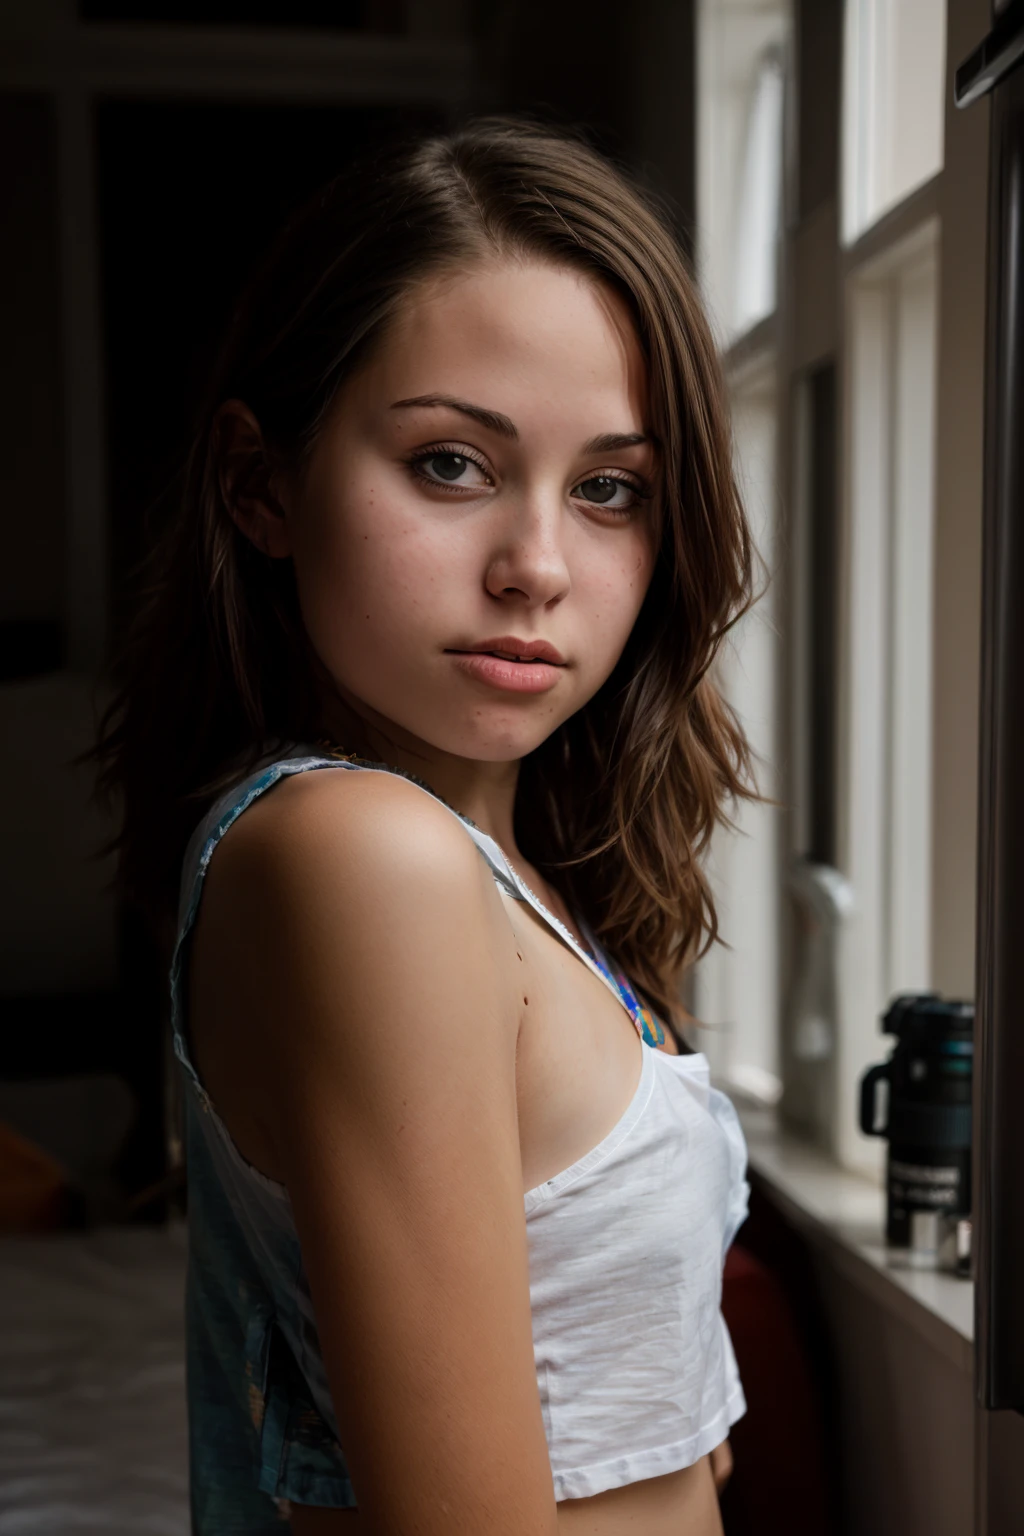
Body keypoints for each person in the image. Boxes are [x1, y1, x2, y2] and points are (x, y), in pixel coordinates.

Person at [96, 117, 758, 1535]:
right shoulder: (359, 856)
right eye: (452, 464)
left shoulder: (522, 883)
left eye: (609, 490)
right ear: (260, 486)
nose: (535, 566)